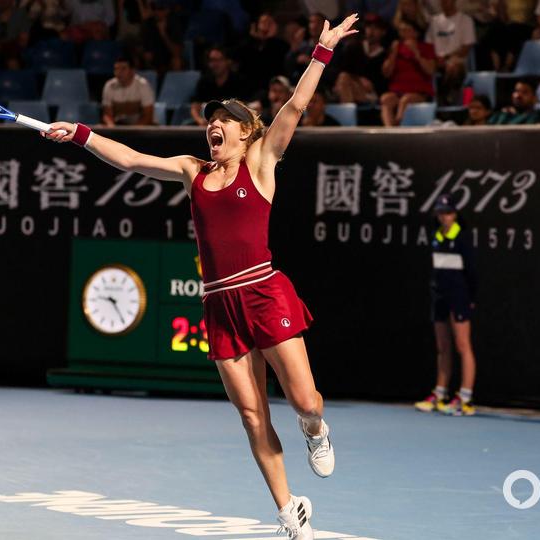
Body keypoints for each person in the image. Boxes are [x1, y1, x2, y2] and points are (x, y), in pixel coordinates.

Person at [41, 14, 360, 538]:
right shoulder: (194, 169)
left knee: (304, 401)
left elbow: (296, 106)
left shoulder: (262, 161)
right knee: (252, 417)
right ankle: (288, 511)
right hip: (220, 306)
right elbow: (130, 158)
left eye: (225, 120)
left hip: (263, 290)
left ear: (245, 131)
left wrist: (321, 52)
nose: (214, 126)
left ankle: (315, 430)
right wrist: (81, 134)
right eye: (210, 120)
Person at [414, 194, 478, 416]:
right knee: (443, 347)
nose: (444, 217)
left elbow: (472, 272)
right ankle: (440, 394)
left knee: (463, 345)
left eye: (448, 212)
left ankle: (465, 398)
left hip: (459, 297)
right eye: (441, 212)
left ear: (455, 214)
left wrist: (471, 298)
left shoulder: (462, 237)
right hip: (439, 297)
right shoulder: (435, 236)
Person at [380, 20, 436, 126]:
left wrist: (416, 53)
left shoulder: (426, 48)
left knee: (405, 100)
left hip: (419, 92)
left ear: (416, 33)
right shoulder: (396, 48)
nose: (404, 34)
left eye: (407, 30)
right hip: (398, 91)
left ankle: (398, 125)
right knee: (386, 99)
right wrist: (393, 53)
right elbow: (386, 73)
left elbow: (430, 70)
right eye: (401, 31)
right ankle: (389, 131)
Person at [425, 0, 476, 106]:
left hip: (457, 60)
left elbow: (466, 48)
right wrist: (436, 59)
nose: (445, 3)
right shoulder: (434, 21)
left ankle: (446, 98)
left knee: (453, 67)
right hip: (436, 60)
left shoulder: (465, 20)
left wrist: (447, 57)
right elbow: (428, 46)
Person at [190, 46, 251, 126]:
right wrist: (200, 120)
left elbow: (245, 107)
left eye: (218, 60)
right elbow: (195, 106)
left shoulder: (238, 81)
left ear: (227, 61)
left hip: (233, 123)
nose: (214, 64)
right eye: (211, 60)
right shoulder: (204, 81)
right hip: (208, 123)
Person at [101, 57, 156, 126]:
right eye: (116, 69)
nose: (119, 72)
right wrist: (112, 128)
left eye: (123, 69)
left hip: (140, 129)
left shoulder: (143, 85)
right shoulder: (109, 86)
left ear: (132, 71)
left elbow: (148, 116)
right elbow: (107, 114)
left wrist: (134, 132)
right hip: (118, 128)